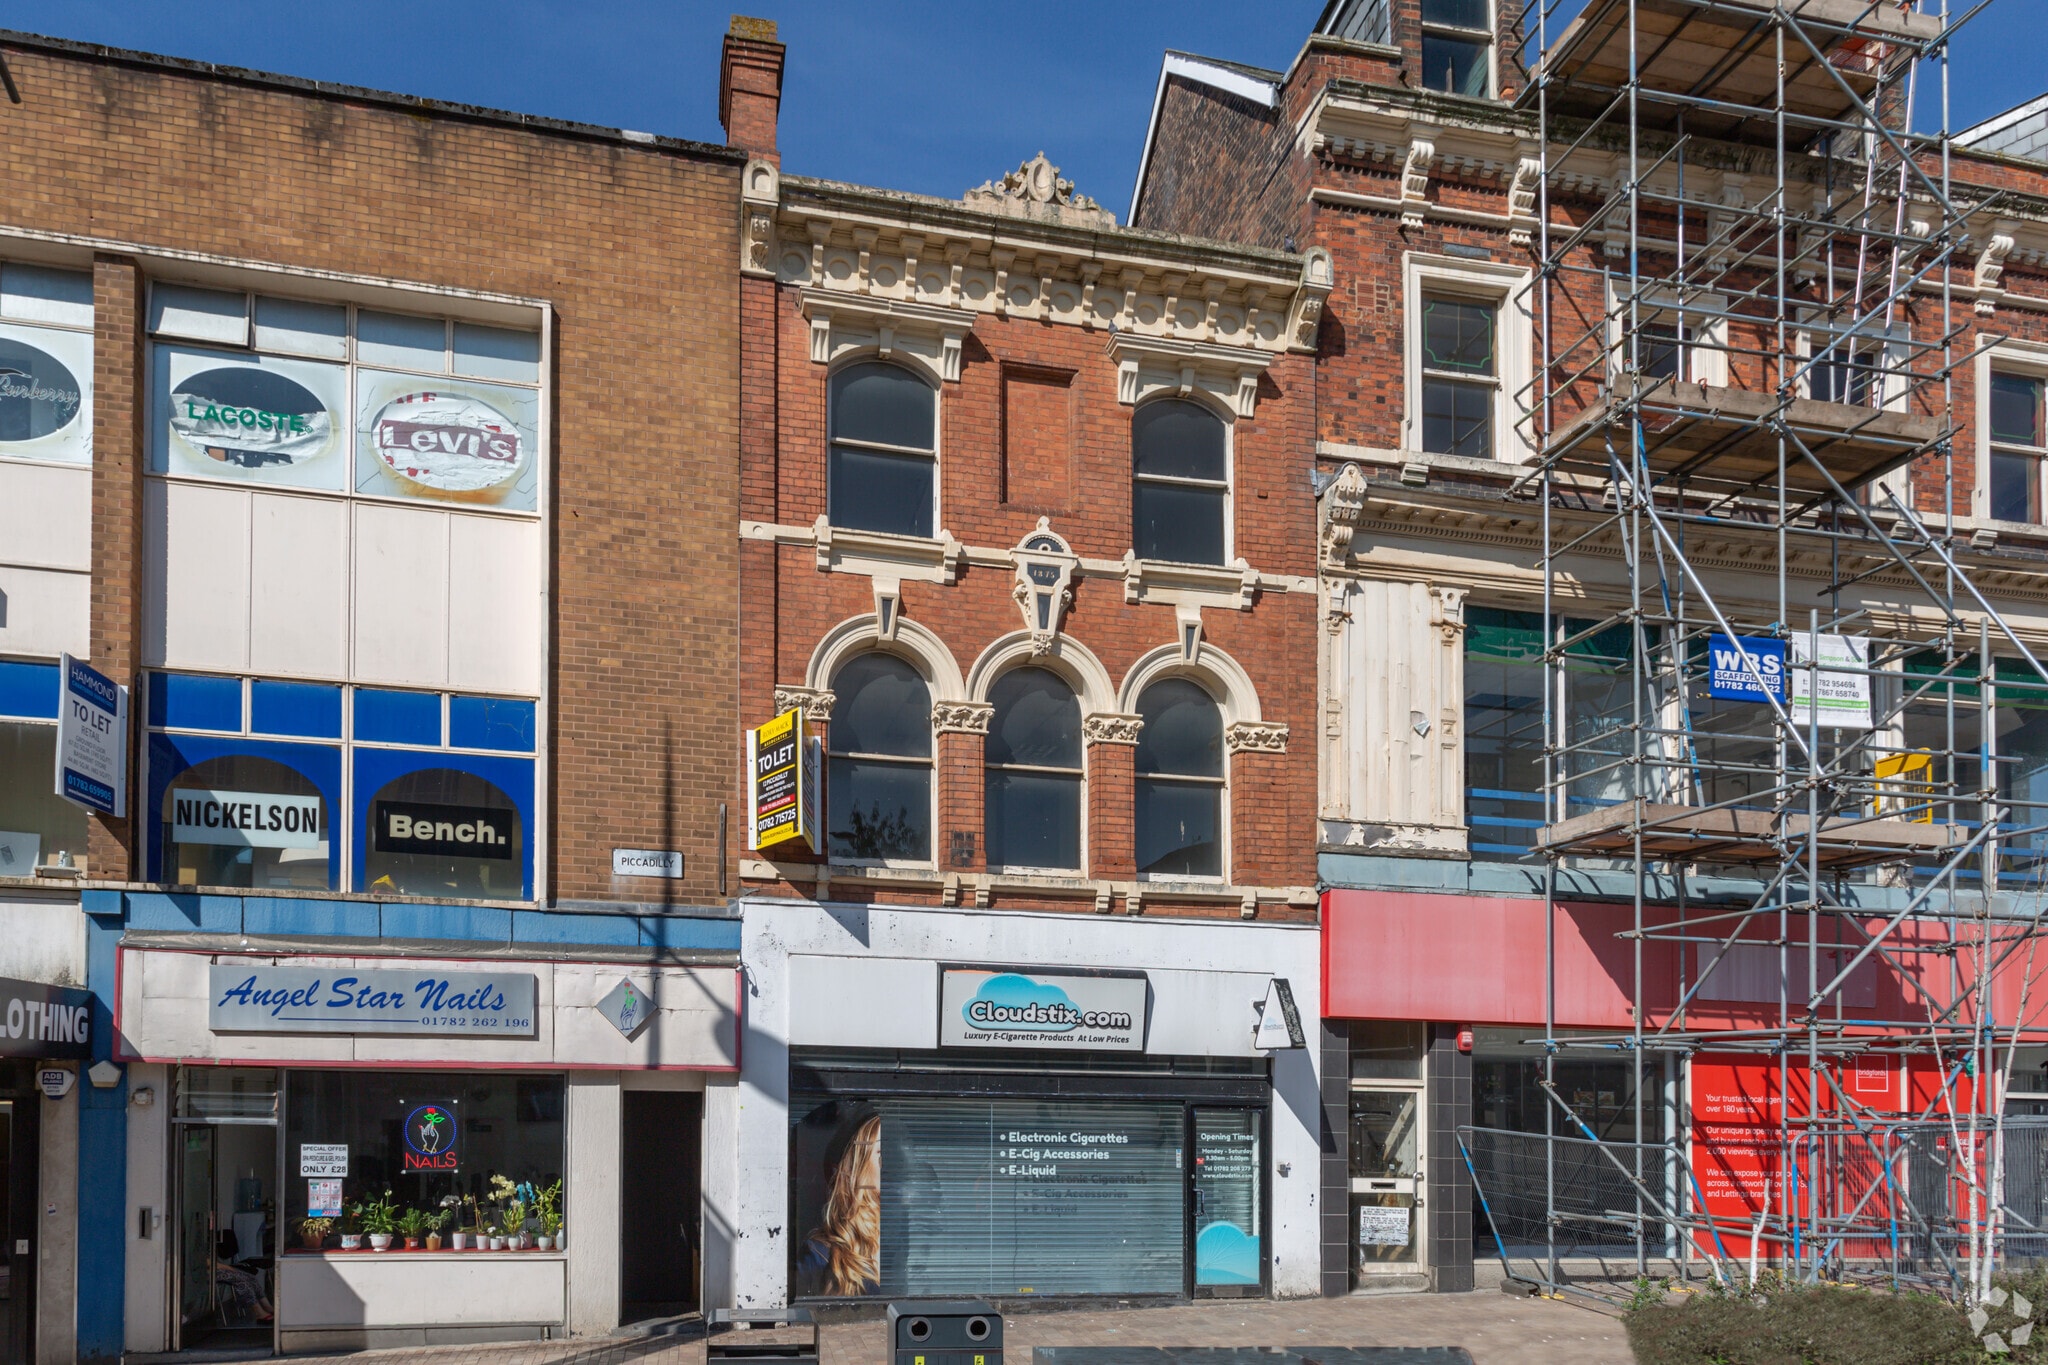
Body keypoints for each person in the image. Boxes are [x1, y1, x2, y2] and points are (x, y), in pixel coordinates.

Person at [794, 1112, 882, 1297]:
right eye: (884, 1155)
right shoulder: (821, 1255)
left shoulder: (924, 1244)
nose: (900, 1165)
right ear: (859, 1167)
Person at [214, 1233, 274, 1323]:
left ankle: (266, 1306)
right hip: (208, 1272)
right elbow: (209, 1263)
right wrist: (229, 1268)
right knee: (240, 1279)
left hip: (216, 1269)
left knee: (249, 1277)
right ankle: (258, 1311)